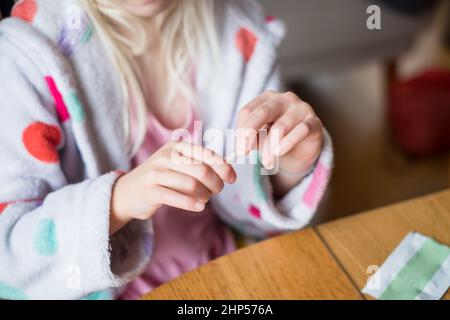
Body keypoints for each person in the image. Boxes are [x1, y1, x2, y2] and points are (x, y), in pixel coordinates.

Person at [0, 0, 333, 300]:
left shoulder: (240, 30)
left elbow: (250, 204)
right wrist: (119, 200)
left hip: (231, 265)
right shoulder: (24, 58)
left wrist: (288, 166)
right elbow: (12, 266)